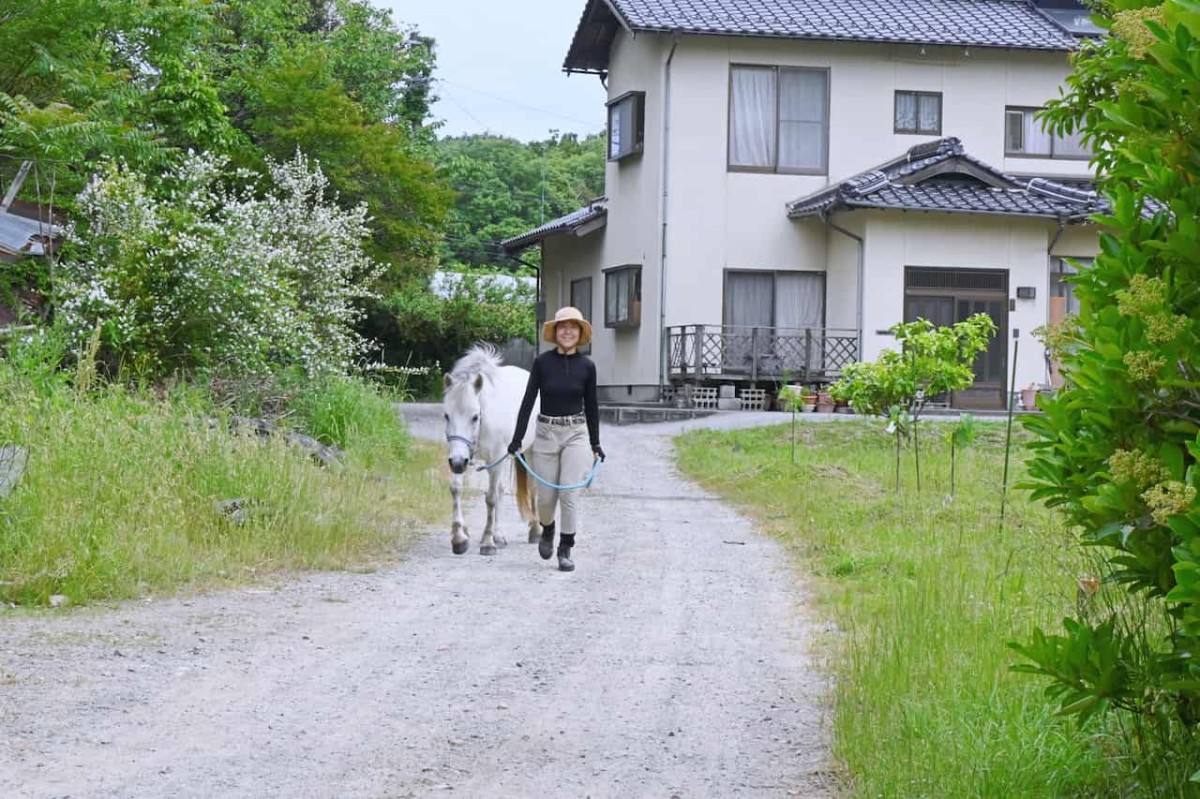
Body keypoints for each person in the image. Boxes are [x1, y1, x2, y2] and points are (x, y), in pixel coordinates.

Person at [508, 306, 605, 572]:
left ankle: (565, 548)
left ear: (580, 333)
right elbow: (528, 402)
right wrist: (516, 440)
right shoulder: (542, 363)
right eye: (563, 327)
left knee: (568, 493)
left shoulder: (587, 366)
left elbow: (593, 407)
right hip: (546, 434)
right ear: (555, 332)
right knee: (545, 499)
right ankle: (548, 528)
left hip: (576, 433)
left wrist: (595, 444)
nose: (568, 331)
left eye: (573, 327)